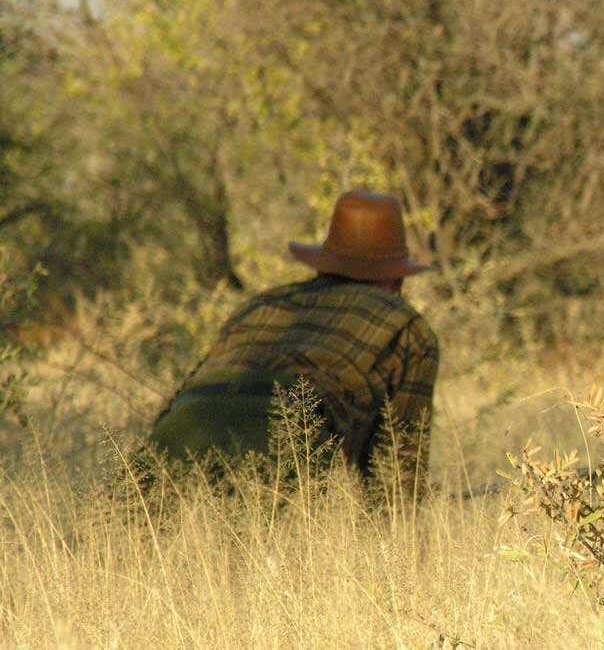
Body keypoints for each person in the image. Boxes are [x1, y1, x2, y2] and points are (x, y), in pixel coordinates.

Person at [145, 190, 439, 495]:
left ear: (321, 265)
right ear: (397, 280)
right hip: (286, 437)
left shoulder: (263, 303)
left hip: (182, 427)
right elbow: (400, 468)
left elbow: (182, 396)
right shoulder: (407, 326)